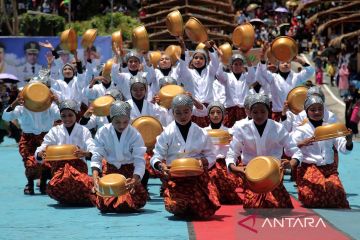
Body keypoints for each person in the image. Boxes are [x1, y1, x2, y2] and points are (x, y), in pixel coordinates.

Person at [226, 93, 302, 208]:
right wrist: (235, 168)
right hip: (252, 174)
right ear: (250, 113)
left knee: (276, 206)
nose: (259, 115)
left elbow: (296, 152)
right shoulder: (242, 129)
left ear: (269, 111)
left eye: (263, 111)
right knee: (254, 206)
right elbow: (232, 153)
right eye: (255, 112)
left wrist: (291, 164)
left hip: (274, 174)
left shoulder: (278, 128)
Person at [150, 94, 220, 218]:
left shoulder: (201, 132)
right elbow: (156, 156)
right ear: (172, 113)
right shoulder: (167, 133)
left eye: (186, 112)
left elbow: (211, 156)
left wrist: (203, 161)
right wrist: (161, 166)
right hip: (176, 177)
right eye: (178, 113)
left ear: (191, 111)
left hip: (197, 176)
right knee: (175, 205)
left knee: (206, 209)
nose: (182, 116)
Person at [2, 76, 60, 195]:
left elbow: (60, 115)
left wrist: (57, 101)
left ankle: (43, 183)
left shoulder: (50, 106)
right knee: (29, 161)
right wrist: (14, 103)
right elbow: (6, 117)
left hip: (46, 138)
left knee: (47, 162)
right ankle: (30, 183)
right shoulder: (21, 107)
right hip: (28, 138)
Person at [291, 95, 352, 208]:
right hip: (309, 168)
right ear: (307, 111)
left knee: (338, 195)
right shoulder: (301, 130)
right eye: (313, 109)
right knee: (312, 196)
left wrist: (348, 141)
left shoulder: (330, 128)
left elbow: (343, 147)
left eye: (320, 109)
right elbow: (288, 148)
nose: (317, 112)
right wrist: (301, 143)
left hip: (329, 169)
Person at [35, 100, 95, 205]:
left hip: (79, 167)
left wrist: (85, 153)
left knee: (88, 185)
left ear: (76, 114)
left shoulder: (83, 130)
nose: (67, 119)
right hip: (59, 168)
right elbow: (44, 146)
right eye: (63, 116)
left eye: (70, 115)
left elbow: (92, 147)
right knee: (54, 187)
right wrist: (40, 153)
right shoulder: (55, 131)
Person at [91, 101, 148, 213]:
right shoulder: (103, 132)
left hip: (128, 174)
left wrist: (134, 180)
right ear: (111, 119)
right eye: (117, 122)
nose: (121, 125)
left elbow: (139, 161)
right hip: (110, 172)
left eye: (125, 122)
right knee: (104, 204)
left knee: (128, 202)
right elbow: (97, 155)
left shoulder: (135, 134)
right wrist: (95, 177)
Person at [258, 44, 315, 121]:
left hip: (294, 113)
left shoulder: (296, 77)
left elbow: (310, 71)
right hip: (278, 112)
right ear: (278, 65)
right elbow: (263, 72)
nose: (285, 64)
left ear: (291, 65)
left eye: (288, 62)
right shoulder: (273, 77)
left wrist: (300, 61)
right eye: (282, 62)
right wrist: (262, 59)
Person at [204, 102, 242, 204]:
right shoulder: (203, 132)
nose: (215, 115)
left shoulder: (230, 132)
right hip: (208, 165)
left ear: (224, 115)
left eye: (218, 112)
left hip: (224, 165)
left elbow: (235, 151)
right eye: (212, 112)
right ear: (208, 115)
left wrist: (232, 141)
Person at [216, 53, 256, 127]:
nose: (238, 66)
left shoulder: (246, 77)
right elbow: (219, 74)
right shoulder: (227, 76)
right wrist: (221, 59)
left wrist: (247, 58)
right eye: (236, 64)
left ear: (243, 66)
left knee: (245, 130)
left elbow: (253, 76)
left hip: (244, 110)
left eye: (240, 64)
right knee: (229, 131)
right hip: (230, 109)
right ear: (231, 66)